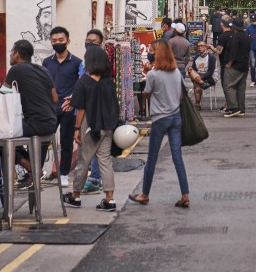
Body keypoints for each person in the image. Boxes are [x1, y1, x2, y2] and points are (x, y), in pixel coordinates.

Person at [128, 40, 191, 209]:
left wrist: (150, 74)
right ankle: (185, 194)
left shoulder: (153, 75)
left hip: (159, 118)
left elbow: (147, 94)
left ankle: (145, 194)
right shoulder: (176, 72)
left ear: (158, 53)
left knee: (152, 157)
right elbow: (180, 96)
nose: (149, 53)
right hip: (176, 117)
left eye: (151, 50)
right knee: (177, 157)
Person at [62, 45, 119, 211]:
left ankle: (75, 196)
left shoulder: (84, 82)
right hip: (107, 126)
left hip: (90, 126)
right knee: (105, 160)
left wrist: (77, 129)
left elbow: (81, 109)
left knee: (84, 161)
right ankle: (110, 199)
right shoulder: (109, 82)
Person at [4, 40, 59, 188]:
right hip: (51, 122)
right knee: (29, 139)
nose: (10, 55)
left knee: (0, 137)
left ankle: (31, 168)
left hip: (36, 124)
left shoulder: (16, 70)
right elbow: (55, 98)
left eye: (11, 52)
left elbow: (3, 95)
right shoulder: (43, 70)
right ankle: (33, 174)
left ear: (16, 54)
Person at [43, 26, 82, 187]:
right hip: (50, 109)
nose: (57, 43)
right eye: (54, 41)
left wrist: (73, 102)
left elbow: (80, 86)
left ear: (68, 41)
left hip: (68, 109)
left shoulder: (77, 62)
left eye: (61, 40)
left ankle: (64, 174)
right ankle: (39, 171)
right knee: (44, 141)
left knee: (66, 143)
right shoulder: (46, 62)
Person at [74, 29, 106, 194]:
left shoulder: (101, 63)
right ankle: (101, 187)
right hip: (87, 109)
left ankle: (89, 183)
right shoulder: (84, 62)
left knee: (91, 150)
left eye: (94, 41)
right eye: (88, 40)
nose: (90, 43)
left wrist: (77, 126)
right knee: (94, 150)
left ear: (100, 43)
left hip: (93, 111)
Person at [220, 17, 252, 117]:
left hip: (235, 65)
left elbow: (233, 51)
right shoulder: (246, 36)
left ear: (234, 27)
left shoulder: (235, 37)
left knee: (228, 86)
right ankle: (241, 109)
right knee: (240, 88)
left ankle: (233, 108)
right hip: (244, 65)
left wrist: (230, 62)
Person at [187, 41, 218, 109]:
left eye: (202, 46)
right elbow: (194, 71)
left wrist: (201, 77)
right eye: (198, 46)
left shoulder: (211, 57)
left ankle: (197, 104)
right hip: (199, 78)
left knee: (197, 86)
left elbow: (210, 72)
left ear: (206, 47)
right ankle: (197, 103)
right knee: (190, 69)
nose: (200, 47)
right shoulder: (196, 58)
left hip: (211, 78)